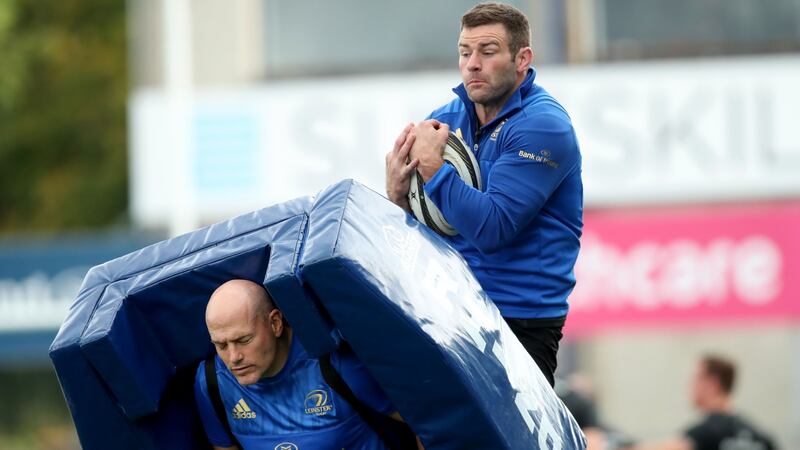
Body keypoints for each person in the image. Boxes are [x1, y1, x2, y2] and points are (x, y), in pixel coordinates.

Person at [385, 2, 582, 387]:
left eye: (487, 52)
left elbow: (493, 229)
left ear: (522, 58)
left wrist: (432, 168)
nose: (472, 63)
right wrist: (397, 199)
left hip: (519, 322)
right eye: (464, 52)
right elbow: (423, 233)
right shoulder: (445, 119)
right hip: (450, 310)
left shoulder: (543, 126)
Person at [193, 279, 415, 450]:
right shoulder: (213, 382)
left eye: (244, 340)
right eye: (221, 345)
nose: (233, 357)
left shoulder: (335, 364)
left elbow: (428, 422)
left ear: (275, 323)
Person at [634, 355, 776, 450]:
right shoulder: (760, 437)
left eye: (695, 379)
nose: (690, 386)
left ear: (712, 384)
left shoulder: (707, 433)